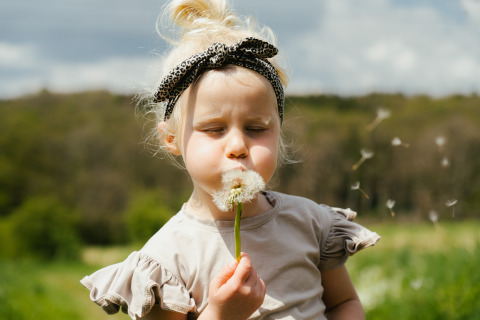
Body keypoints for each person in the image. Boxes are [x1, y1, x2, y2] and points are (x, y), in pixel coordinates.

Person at [81, 0, 380, 319]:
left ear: (279, 133)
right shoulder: (167, 257)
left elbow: (343, 303)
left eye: (256, 128)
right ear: (171, 138)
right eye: (214, 129)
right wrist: (223, 314)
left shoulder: (310, 222)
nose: (237, 145)